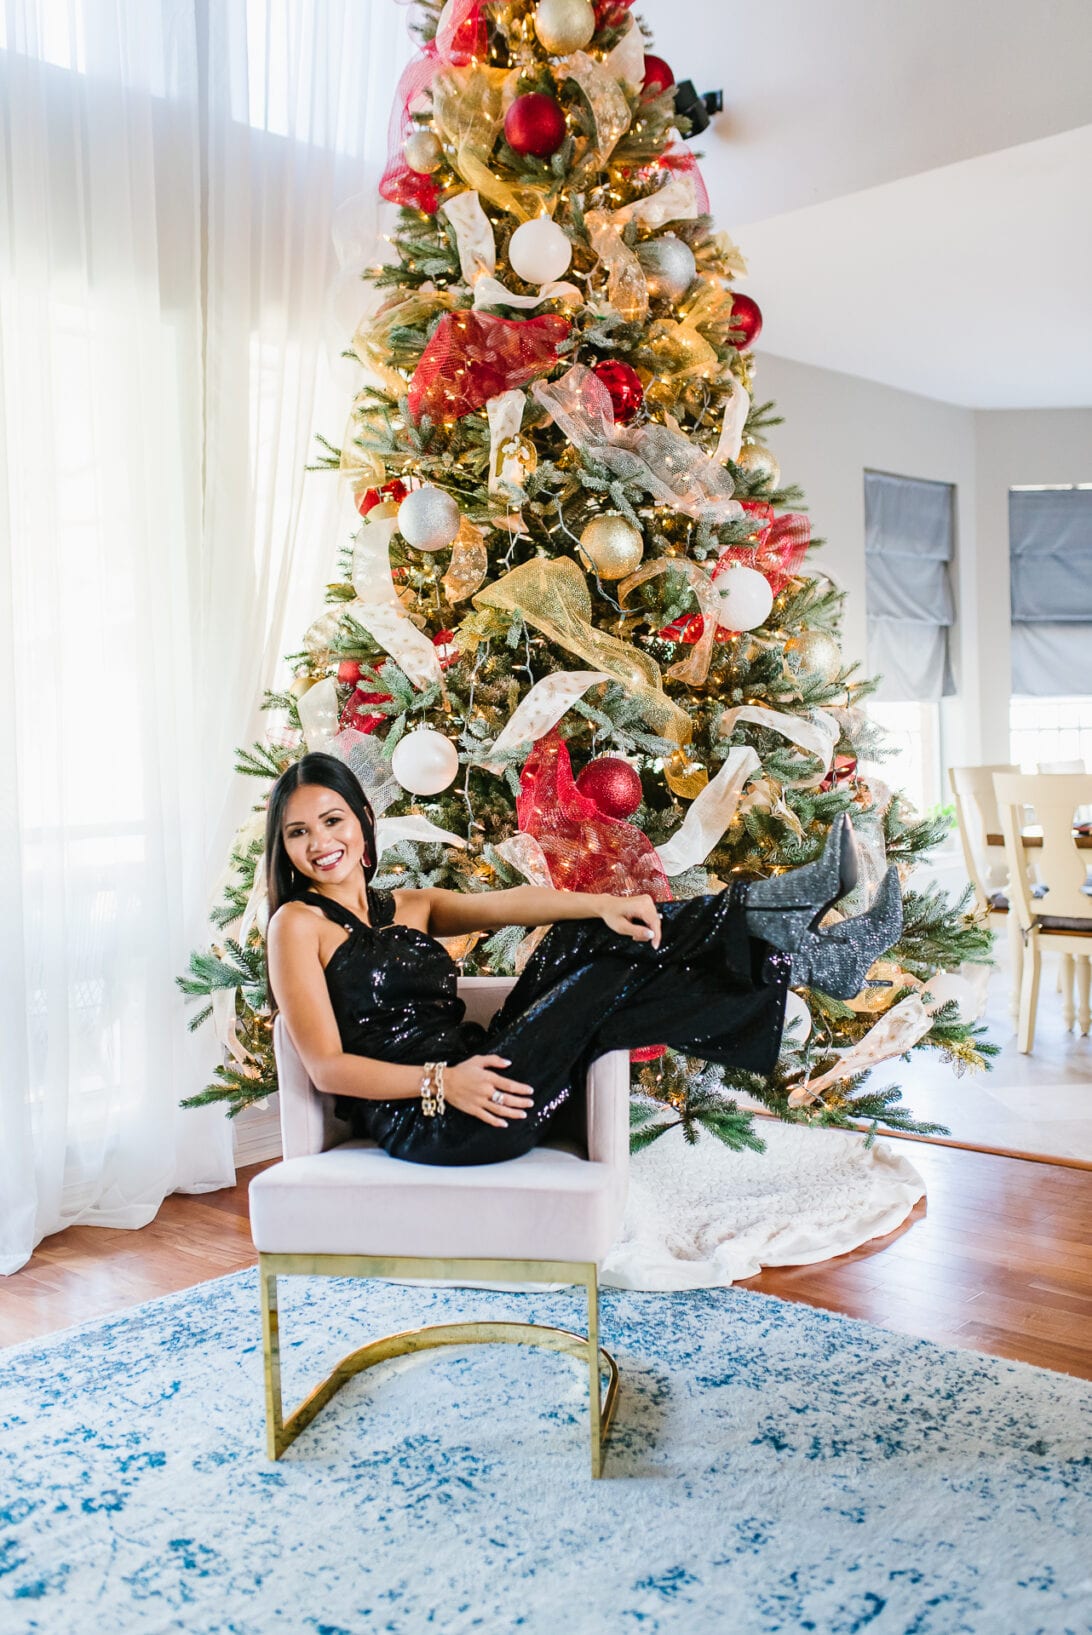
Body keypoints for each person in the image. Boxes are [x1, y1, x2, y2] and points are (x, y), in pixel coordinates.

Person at [264, 752, 902, 1167]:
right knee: (603, 974)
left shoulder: (407, 903)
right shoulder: (296, 925)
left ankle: (802, 946)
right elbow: (326, 1068)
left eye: (332, 820)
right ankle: (792, 936)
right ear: (284, 846)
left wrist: (601, 903)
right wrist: (442, 1082)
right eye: (299, 832)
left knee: (583, 935)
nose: (321, 843)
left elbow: (513, 903)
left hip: (486, 1067)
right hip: (439, 1115)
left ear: (365, 821)